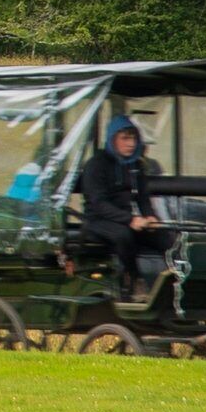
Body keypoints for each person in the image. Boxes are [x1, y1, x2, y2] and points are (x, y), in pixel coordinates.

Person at [74, 118, 178, 305]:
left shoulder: (136, 166)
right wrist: (130, 219)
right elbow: (98, 204)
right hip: (98, 222)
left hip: (127, 219)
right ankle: (133, 282)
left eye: (134, 139)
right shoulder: (95, 165)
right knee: (123, 235)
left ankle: (175, 285)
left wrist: (150, 216)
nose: (131, 144)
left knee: (167, 238)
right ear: (113, 139)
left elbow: (143, 198)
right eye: (125, 139)